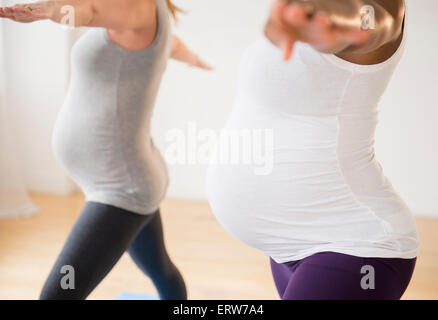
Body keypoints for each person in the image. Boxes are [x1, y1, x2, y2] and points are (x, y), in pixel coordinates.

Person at [206, 0, 419, 300]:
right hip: (286, 248)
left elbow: (377, 22)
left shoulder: (378, 7)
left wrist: (339, 23)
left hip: (355, 247)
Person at [0, 0, 211, 299]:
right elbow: (171, 44)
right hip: (129, 178)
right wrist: (193, 58)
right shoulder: (139, 14)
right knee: (160, 269)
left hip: (122, 189)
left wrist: (47, 10)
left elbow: (88, 12)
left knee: (57, 295)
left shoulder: (140, 7)